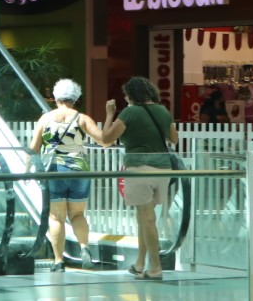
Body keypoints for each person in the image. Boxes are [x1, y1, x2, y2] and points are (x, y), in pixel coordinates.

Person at [99, 76, 178, 282]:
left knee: (147, 218)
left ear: (131, 95)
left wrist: (109, 115)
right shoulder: (162, 110)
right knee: (145, 217)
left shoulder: (129, 112)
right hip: (163, 169)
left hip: (139, 169)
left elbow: (106, 140)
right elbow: (174, 139)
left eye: (126, 96)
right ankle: (140, 264)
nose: (125, 99)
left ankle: (156, 267)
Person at [28, 79, 105, 272]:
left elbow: (34, 148)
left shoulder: (45, 119)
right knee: (77, 214)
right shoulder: (82, 118)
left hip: (54, 170)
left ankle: (58, 260)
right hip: (79, 169)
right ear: (76, 98)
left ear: (55, 97)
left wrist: (26, 168)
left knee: (56, 218)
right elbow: (104, 140)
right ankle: (84, 248)